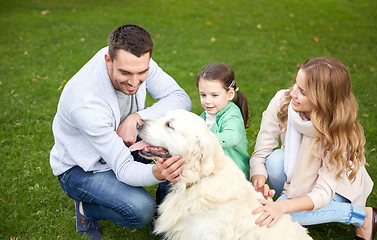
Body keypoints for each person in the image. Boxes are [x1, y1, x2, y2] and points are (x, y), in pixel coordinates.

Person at [50, 24, 191, 239]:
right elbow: (124, 167)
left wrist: (137, 118)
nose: (134, 82)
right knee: (140, 209)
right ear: (109, 61)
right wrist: (158, 174)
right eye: (125, 73)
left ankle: (163, 219)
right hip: (83, 168)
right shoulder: (85, 102)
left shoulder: (134, 60)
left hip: (126, 144)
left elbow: (181, 98)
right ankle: (86, 210)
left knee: (178, 144)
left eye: (142, 72)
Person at [250, 57, 377, 240]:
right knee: (274, 161)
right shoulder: (284, 101)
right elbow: (262, 149)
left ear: (324, 100)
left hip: (336, 190)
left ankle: (362, 215)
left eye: (303, 92)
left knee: (284, 215)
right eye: (296, 85)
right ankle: (290, 202)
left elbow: (322, 193)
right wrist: (258, 179)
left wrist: (282, 207)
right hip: (299, 176)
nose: (293, 94)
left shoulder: (338, 130)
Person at [196, 62, 250, 180]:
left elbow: (231, 136)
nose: (207, 101)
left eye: (214, 95)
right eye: (203, 95)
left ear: (230, 94)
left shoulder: (232, 115)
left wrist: (203, 142)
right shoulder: (205, 115)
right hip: (213, 170)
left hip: (234, 174)